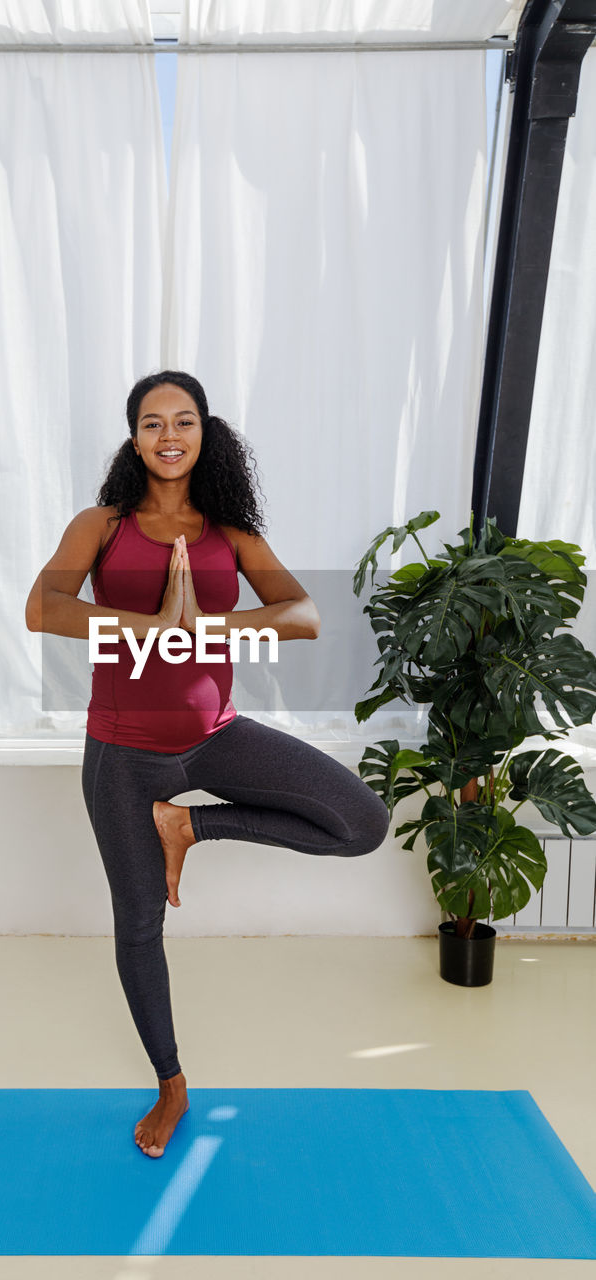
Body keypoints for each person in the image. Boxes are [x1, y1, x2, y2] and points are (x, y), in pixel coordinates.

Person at [25, 370, 389, 1159]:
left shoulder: (229, 530)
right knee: (139, 925)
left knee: (361, 822)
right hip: (121, 753)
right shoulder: (102, 523)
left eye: (182, 420)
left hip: (214, 735)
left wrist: (213, 624)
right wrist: (149, 622)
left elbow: (302, 613)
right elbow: (43, 606)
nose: (168, 434)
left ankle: (190, 824)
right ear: (133, 439)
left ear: (203, 433)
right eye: (151, 422)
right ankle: (171, 1084)